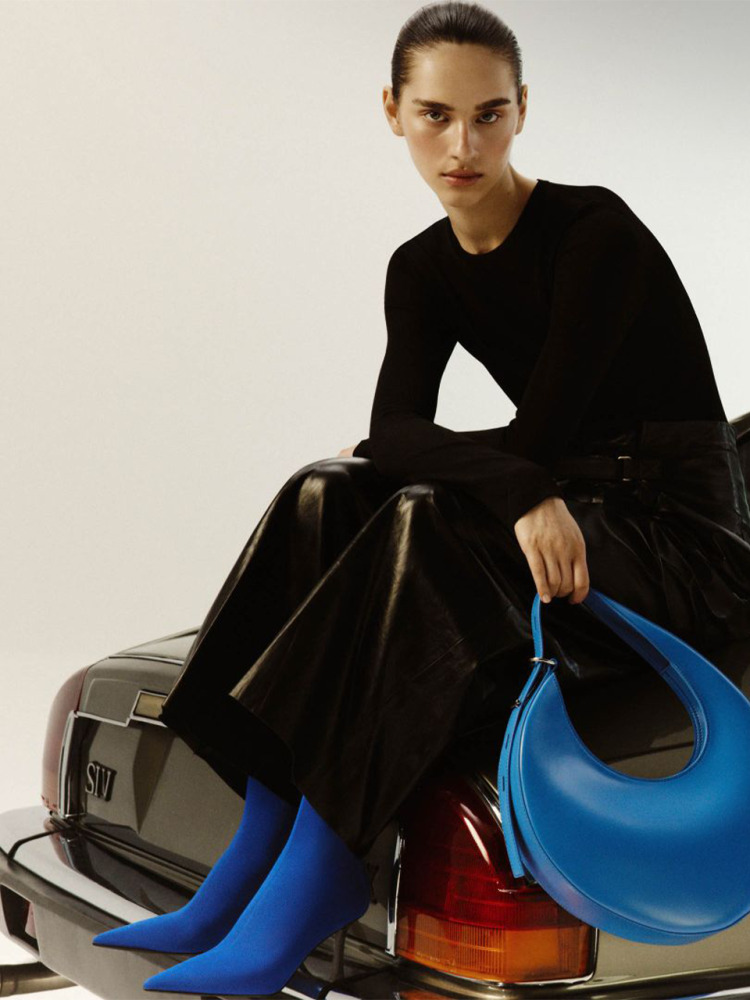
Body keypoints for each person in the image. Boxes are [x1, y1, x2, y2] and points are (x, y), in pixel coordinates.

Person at [92, 2, 750, 996]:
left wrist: (492, 476)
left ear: (522, 110)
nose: (463, 146)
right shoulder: (422, 268)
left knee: (420, 512)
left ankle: (311, 877)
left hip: (679, 538)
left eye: (489, 115)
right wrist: (464, 469)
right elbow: (394, 428)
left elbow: (536, 437)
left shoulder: (594, 234)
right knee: (327, 490)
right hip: (576, 503)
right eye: (436, 115)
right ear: (393, 111)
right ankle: (254, 847)